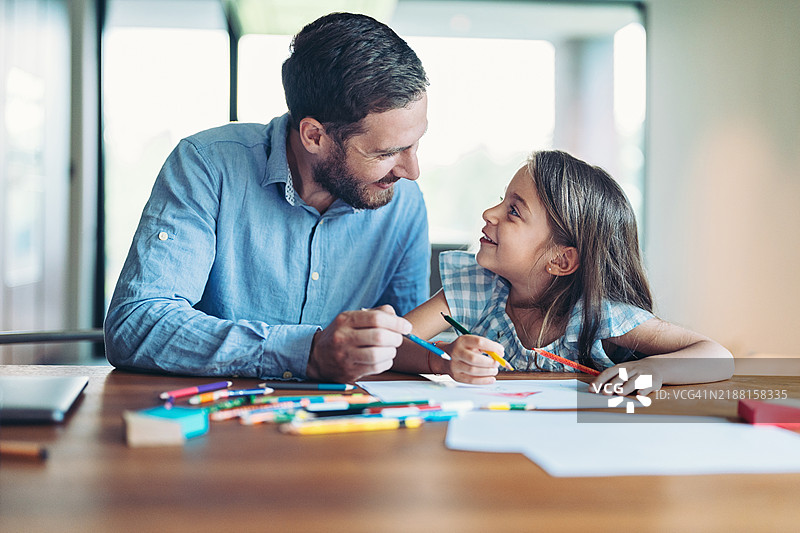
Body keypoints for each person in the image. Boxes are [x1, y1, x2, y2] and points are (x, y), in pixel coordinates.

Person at [104, 12, 429, 383]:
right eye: (386, 152)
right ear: (314, 136)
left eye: (415, 144)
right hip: (214, 420)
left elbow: (406, 342)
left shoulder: (402, 202)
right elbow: (137, 324)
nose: (411, 171)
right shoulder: (207, 166)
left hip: (343, 427)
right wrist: (305, 352)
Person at [391, 150, 734, 395]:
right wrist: (444, 359)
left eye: (513, 211)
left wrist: (653, 369)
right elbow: (394, 346)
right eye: (501, 199)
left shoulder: (597, 315)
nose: (489, 212)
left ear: (561, 260)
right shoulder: (475, 287)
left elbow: (717, 356)